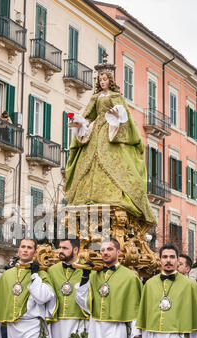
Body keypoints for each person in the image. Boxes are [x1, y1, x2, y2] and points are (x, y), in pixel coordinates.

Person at [65, 59, 155, 225]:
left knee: (113, 164)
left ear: (110, 81)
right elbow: (88, 116)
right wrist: (79, 123)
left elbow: (125, 117)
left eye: (105, 79)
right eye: (100, 80)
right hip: (96, 130)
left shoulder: (116, 96)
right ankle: (88, 195)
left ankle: (115, 195)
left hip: (111, 130)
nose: (102, 82)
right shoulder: (95, 97)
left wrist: (117, 117)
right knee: (89, 163)